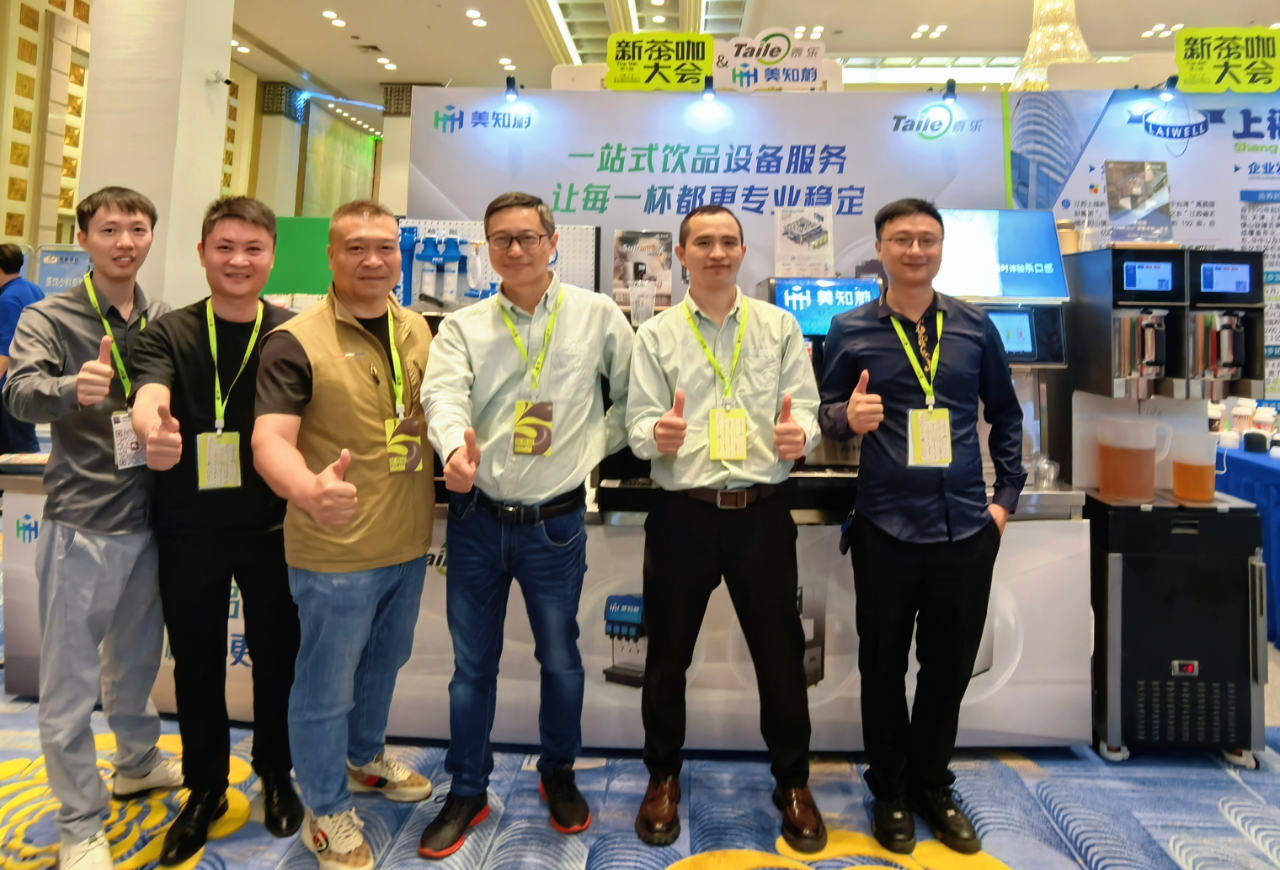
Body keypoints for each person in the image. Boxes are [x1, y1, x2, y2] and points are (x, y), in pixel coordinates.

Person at [418, 192, 634, 857]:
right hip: (477, 519)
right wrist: (452, 449)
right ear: (486, 248)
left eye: (528, 237)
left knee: (561, 659)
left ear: (552, 241)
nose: (515, 250)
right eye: (501, 239)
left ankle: (558, 772)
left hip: (556, 523)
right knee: (471, 667)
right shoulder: (464, 326)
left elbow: (633, 396)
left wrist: (587, 449)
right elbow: (442, 393)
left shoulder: (597, 315)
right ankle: (467, 787)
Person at [817, 199, 1025, 856]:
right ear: (879, 248)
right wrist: (844, 418)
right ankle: (889, 790)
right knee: (881, 667)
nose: (915, 250)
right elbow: (825, 411)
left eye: (927, 239)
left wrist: (1005, 500)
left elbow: (1006, 413)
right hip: (884, 528)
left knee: (948, 669)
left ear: (940, 248)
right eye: (902, 239)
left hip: (965, 528)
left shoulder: (974, 326)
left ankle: (933, 784)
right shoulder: (849, 329)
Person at [625, 204, 826, 853]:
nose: (717, 252)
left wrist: (801, 435)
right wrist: (655, 433)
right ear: (681, 254)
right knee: (666, 657)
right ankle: (662, 777)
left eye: (728, 242)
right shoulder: (656, 333)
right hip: (682, 514)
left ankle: (792, 783)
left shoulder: (779, 325)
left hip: (762, 514)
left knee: (782, 657)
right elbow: (636, 422)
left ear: (743, 251)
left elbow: (807, 408)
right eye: (704, 242)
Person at [252, 200, 435, 870]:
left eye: (385, 247)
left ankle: (363, 758)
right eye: (356, 247)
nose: (373, 260)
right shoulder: (296, 340)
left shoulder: (416, 327)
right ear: (330, 256)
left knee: (383, 664)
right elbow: (269, 440)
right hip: (337, 550)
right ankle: (325, 808)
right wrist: (306, 489)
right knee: (325, 687)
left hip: (408, 542)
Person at [3, 187, 180, 870]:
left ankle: (135, 761)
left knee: (135, 662)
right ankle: (79, 821)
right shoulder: (51, 315)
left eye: (137, 228)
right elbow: (17, 391)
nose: (125, 242)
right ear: (84, 238)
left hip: (149, 518)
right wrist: (67, 390)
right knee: (69, 682)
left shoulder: (161, 318)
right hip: (84, 519)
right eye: (109, 229)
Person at [129, 197, 303, 865]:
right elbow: (150, 395)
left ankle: (276, 770)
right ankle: (204, 787)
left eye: (253, 248)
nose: (238, 260)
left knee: (278, 656)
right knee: (197, 661)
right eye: (224, 247)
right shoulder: (168, 331)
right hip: (190, 527)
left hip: (273, 527)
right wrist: (153, 430)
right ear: (202, 252)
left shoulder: (293, 333)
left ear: (272, 257)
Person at [0, 244, 45, 453]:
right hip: (31, 377)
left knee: (19, 443)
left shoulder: (7, 299)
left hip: (9, 384)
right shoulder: (34, 289)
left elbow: (6, 348)